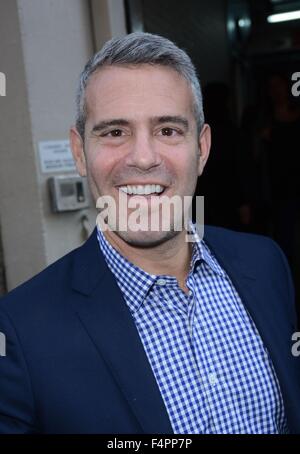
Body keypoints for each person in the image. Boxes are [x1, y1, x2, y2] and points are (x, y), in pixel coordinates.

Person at [0, 32, 299, 434]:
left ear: (202, 148)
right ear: (78, 152)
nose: (143, 158)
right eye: (114, 132)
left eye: (168, 130)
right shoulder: (20, 331)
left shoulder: (266, 264)